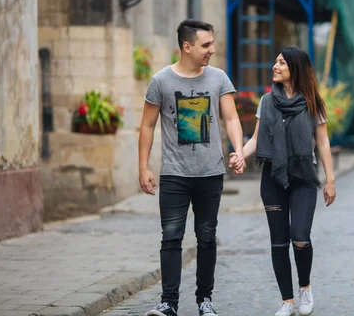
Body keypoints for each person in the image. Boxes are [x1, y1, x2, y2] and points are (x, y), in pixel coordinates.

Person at [139, 19, 246, 316]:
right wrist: (143, 168)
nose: (212, 49)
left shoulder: (218, 78)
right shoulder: (161, 81)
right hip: (174, 174)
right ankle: (168, 303)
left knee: (207, 236)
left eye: (212, 43)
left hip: (210, 173)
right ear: (187, 47)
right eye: (206, 45)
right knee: (171, 236)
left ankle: (204, 300)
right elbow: (147, 125)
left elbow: (232, 119)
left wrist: (238, 150)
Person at [230, 47, 336, 316]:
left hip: (303, 176)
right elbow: (255, 139)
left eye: (281, 63)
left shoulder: (313, 103)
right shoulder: (267, 102)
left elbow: (322, 142)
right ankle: (287, 301)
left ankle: (305, 287)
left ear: (295, 69)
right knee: (278, 241)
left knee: (300, 237)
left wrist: (330, 180)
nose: (275, 66)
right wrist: (240, 155)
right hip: (273, 177)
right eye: (275, 62)